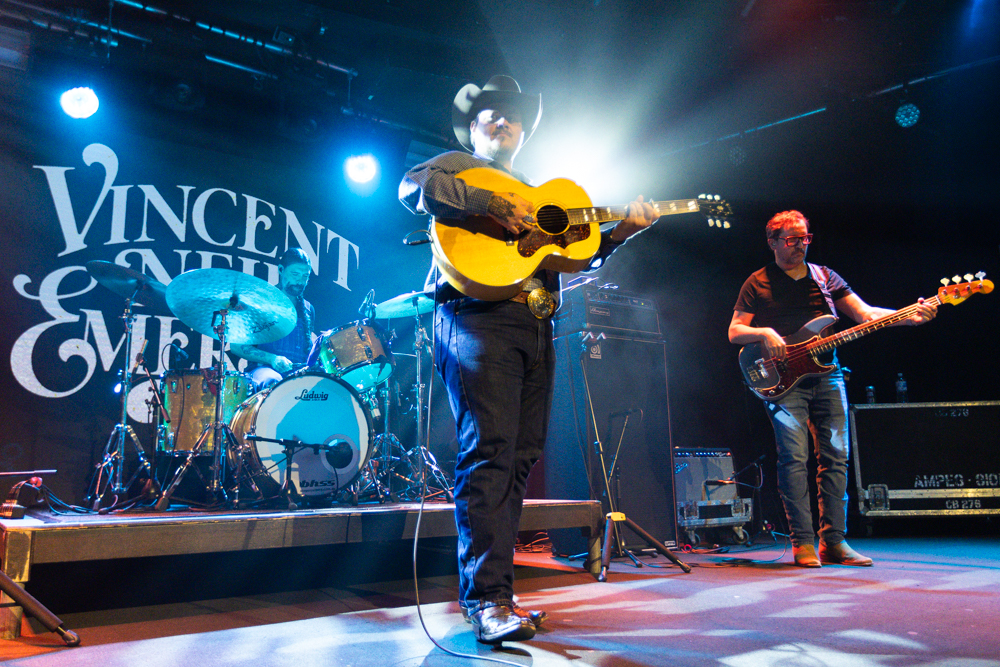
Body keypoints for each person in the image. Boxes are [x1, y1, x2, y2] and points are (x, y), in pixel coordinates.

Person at [399, 75, 659, 643]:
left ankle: (497, 592)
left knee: (520, 457)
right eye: (490, 113)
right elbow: (414, 185)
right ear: (472, 127)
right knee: (491, 451)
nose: (503, 121)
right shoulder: (459, 166)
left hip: (537, 323)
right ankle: (486, 600)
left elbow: (574, 258)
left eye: (512, 115)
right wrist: (492, 204)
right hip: (475, 315)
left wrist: (620, 234)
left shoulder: (545, 195)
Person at [728, 210, 937, 568]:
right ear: (773, 242)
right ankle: (803, 543)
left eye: (805, 238)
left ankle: (834, 542)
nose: (800, 245)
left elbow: (865, 314)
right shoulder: (757, 282)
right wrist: (763, 332)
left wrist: (908, 316)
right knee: (794, 458)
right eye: (792, 239)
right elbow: (735, 331)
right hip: (781, 380)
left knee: (836, 457)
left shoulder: (825, 276)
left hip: (828, 375)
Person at [231, 248, 316, 389]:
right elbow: (236, 346)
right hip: (264, 369)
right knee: (273, 381)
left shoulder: (308, 309)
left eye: (305, 276)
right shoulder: (260, 302)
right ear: (281, 270)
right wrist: (272, 359)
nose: (300, 281)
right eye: (295, 274)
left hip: (298, 373)